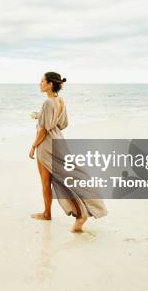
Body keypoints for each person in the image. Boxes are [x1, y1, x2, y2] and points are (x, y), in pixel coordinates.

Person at [29, 72, 108, 232]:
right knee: (66, 178)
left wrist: (33, 146)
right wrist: (40, 116)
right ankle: (81, 212)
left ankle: (48, 214)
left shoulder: (47, 103)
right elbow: (63, 124)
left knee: (46, 183)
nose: (40, 83)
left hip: (46, 145)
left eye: (42, 81)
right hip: (59, 141)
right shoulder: (60, 101)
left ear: (50, 84)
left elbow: (44, 130)